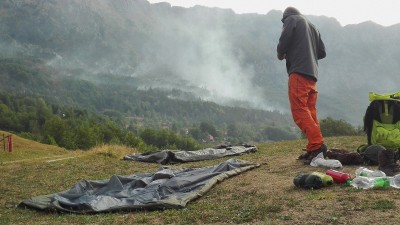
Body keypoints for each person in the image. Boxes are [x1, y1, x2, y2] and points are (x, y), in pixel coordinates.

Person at [276, 7, 327, 163]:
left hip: (298, 72)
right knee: (310, 112)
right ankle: (314, 147)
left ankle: (317, 145)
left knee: (299, 110)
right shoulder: (313, 26)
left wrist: (281, 53)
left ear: (285, 18)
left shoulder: (292, 20)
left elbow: (283, 42)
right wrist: (307, 52)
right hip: (312, 76)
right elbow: (322, 52)